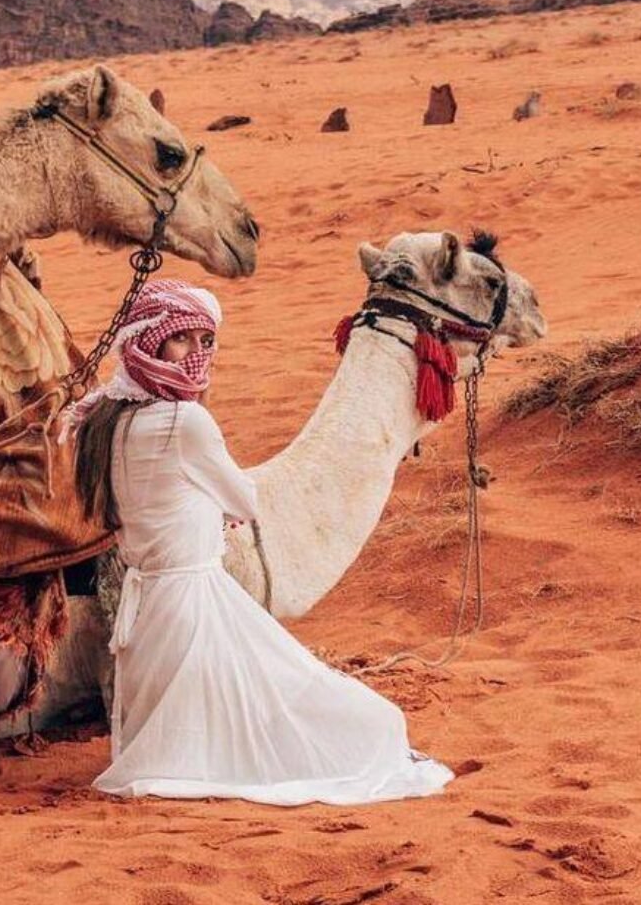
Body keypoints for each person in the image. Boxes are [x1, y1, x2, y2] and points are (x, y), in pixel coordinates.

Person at [67, 278, 452, 805]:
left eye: (206, 342)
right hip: (195, 605)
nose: (196, 354)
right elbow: (246, 503)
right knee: (373, 722)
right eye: (183, 340)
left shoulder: (106, 421)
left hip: (147, 616)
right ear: (150, 341)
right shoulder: (186, 421)